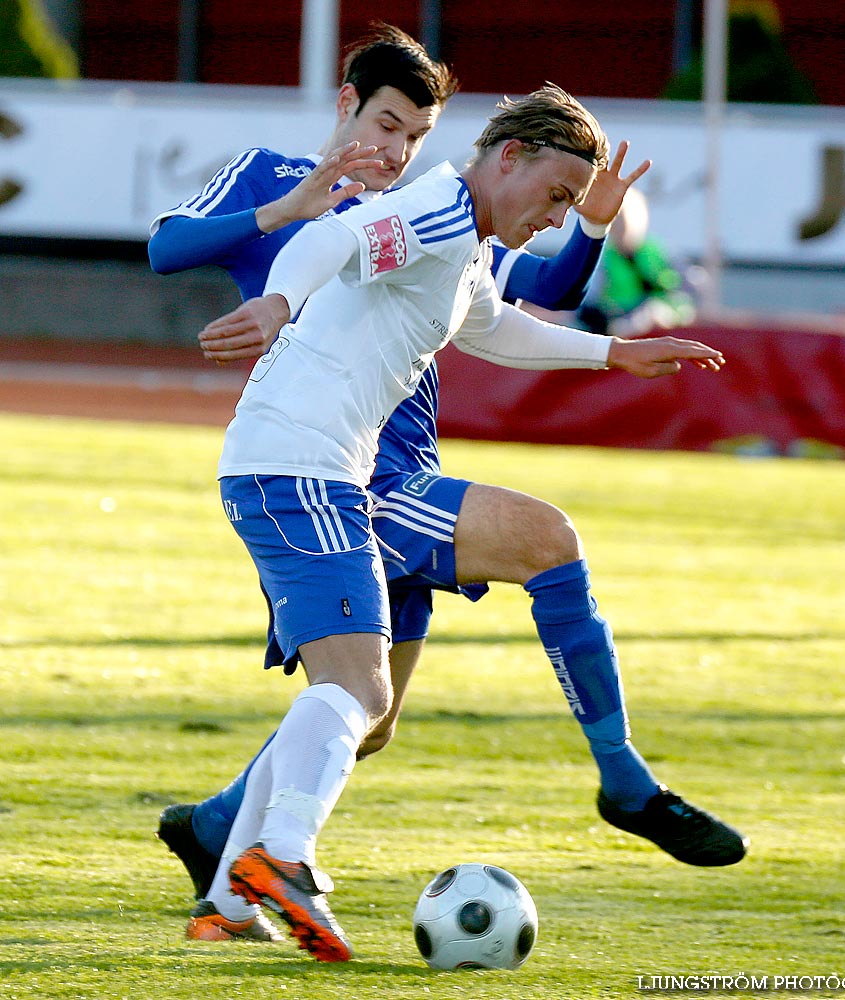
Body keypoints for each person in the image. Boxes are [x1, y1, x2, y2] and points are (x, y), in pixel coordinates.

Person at [152, 27, 746, 951]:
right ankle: (284, 857)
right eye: (554, 193)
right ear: (507, 158)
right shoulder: (434, 211)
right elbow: (338, 237)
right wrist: (277, 299)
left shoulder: (461, 236)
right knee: (354, 686)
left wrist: (614, 353)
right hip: (299, 466)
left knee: (362, 704)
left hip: (316, 470)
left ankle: (229, 901)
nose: (555, 215)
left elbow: (496, 326)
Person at [578, 186, 696, 337]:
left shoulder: (656, 251)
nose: (618, 227)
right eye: (614, 221)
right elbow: (592, 295)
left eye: (623, 220)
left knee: (648, 313)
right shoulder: (606, 256)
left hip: (659, 313)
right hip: (618, 316)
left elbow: (690, 282)